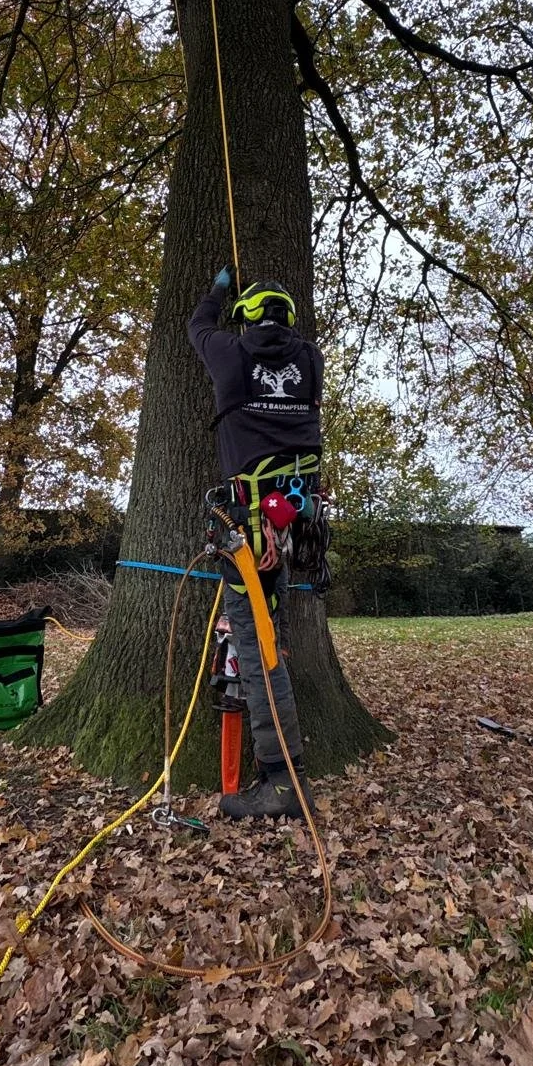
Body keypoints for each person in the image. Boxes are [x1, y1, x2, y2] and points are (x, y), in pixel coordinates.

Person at [188, 269, 323, 820]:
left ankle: (283, 781)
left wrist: (217, 291)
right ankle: (281, 771)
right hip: (287, 517)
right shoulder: (310, 358)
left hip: (249, 525)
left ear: (245, 317)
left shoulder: (228, 352)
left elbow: (198, 327)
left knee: (256, 646)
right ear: (288, 318)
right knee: (270, 633)